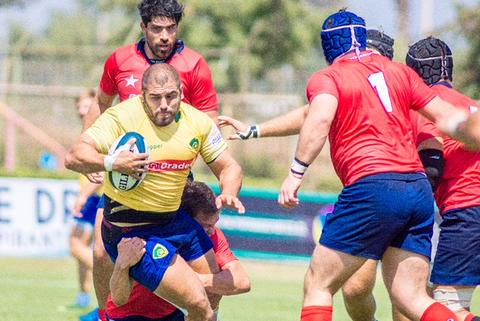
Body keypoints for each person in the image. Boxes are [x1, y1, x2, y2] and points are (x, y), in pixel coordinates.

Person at [219, 28, 443, 321]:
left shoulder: (398, 93)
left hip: (384, 195)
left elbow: (434, 147)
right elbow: (309, 114)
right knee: (364, 291)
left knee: (350, 290)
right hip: (399, 197)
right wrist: (255, 130)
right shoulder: (360, 89)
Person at [278, 10, 469, 321]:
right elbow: (446, 116)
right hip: (418, 190)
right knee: (411, 297)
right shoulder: (400, 72)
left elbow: (320, 118)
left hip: (372, 186)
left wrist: (295, 173)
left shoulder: (328, 77)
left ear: (328, 45)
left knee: (318, 284)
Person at [65, 64, 244, 321]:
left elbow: (230, 166)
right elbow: (74, 156)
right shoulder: (121, 117)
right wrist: (113, 162)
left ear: (181, 93)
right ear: (142, 95)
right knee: (200, 306)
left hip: (174, 221)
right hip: (132, 229)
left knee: (214, 296)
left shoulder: (197, 122)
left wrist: (229, 190)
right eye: (155, 97)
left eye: (171, 96)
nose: (164, 104)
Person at [81, 1, 221, 319]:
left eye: (171, 29)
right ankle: (108, 316)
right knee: (103, 251)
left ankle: (206, 313)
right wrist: (93, 155)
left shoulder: (194, 65)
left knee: (201, 259)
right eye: (157, 29)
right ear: (143, 27)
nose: (164, 36)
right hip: (125, 179)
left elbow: (210, 124)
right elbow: (100, 104)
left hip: (174, 183)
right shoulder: (119, 61)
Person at [406, 36, 480, 321]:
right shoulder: (468, 104)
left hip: (468, 211)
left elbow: (432, 166)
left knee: (447, 307)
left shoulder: (430, 105)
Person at [106, 181, 251, 321]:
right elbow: (119, 299)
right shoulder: (144, 238)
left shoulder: (212, 236)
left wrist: (191, 281)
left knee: (209, 294)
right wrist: (121, 266)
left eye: (214, 223)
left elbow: (242, 281)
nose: (211, 231)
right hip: (128, 315)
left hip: (176, 314)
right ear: (183, 220)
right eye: (205, 226)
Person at [70, 90, 103, 308]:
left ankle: (104, 270)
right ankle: (83, 296)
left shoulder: (98, 132)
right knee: (82, 245)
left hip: (95, 197)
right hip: (91, 196)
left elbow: (102, 171)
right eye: (80, 107)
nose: (82, 110)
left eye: (86, 106)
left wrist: (83, 195)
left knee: (74, 245)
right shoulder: (87, 131)